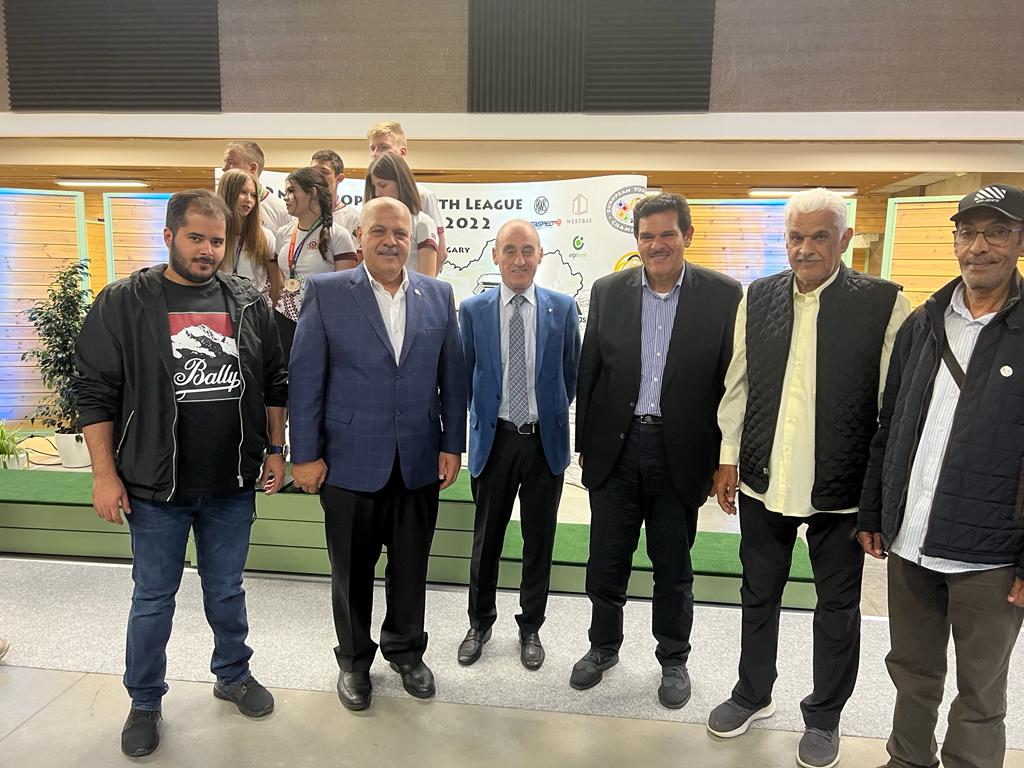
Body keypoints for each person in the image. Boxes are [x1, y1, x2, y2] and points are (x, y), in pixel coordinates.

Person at [73, 189, 288, 757]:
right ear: (169, 236)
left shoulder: (248, 301)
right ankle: (145, 700)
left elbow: (274, 380)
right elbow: (94, 392)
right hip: (154, 486)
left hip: (230, 484)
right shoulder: (125, 301)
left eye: (217, 241)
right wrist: (103, 475)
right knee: (153, 599)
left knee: (227, 589)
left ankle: (233, 674)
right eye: (196, 238)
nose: (207, 250)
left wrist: (274, 447)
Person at [709, 188, 911, 768]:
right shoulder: (758, 296)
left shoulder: (884, 303)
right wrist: (728, 456)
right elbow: (739, 384)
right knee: (758, 593)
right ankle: (753, 693)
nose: (805, 248)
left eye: (819, 236)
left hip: (841, 492)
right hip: (763, 481)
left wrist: (877, 496)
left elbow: (893, 408)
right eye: (796, 237)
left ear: (843, 240)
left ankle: (824, 716)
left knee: (838, 608)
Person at [858, 183, 1024, 768]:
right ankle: (907, 759)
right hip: (910, 541)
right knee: (912, 671)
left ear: (1019, 241)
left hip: (990, 553)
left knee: (980, 690)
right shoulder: (924, 323)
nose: (980, 247)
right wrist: (875, 510)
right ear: (954, 242)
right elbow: (890, 424)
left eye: (997, 232)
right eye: (968, 233)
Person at [288, 197, 466, 712]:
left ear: (412, 240)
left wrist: (451, 444)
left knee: (410, 567)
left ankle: (406, 652)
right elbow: (306, 379)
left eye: (401, 233)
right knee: (351, 571)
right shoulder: (326, 293)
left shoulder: (438, 295)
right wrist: (305, 454)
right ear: (360, 237)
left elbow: (452, 378)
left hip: (418, 459)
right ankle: (353, 661)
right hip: (347, 461)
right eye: (380, 232)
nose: (391, 241)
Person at [572, 193, 742, 708]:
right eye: (647, 236)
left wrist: (724, 459)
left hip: (680, 454)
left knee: (673, 567)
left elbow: (731, 383)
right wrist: (586, 445)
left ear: (687, 235)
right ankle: (603, 647)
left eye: (667, 234)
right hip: (617, 451)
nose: (657, 245)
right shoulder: (608, 291)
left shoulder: (724, 295)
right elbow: (590, 370)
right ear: (637, 241)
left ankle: (673, 658)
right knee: (606, 561)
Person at [457, 219, 581, 670]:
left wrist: (544, 412)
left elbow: (570, 375)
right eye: (509, 250)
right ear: (495, 255)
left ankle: (531, 627)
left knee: (538, 540)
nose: (519, 259)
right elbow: (466, 376)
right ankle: (479, 623)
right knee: (486, 540)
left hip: (543, 443)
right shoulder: (473, 310)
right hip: (495, 442)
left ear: (540, 255)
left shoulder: (562, 308)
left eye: (528, 250)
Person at [269, 167, 358, 361]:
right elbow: (278, 280)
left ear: (312, 193)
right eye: (285, 192)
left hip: (321, 322)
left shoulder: (338, 234)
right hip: (284, 318)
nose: (285, 197)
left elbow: (345, 292)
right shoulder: (283, 233)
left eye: (291, 191)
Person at [367, 120, 448, 269]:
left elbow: (440, 253)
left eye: (384, 147)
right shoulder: (373, 196)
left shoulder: (423, 196)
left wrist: (422, 282)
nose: (376, 154)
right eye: (372, 148)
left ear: (402, 152)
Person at [364, 152, 439, 277]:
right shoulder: (368, 221)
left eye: (383, 185)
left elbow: (427, 280)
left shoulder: (423, 223)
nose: (377, 193)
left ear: (401, 183)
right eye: (374, 186)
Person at [216, 168, 279, 303]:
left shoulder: (265, 236)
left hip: (254, 308)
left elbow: (277, 286)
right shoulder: (213, 235)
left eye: (254, 195)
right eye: (243, 192)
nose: (249, 200)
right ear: (228, 193)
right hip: (220, 305)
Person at [222, 140, 292, 232]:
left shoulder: (281, 210)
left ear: (253, 168)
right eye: (225, 162)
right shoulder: (218, 207)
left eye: (231, 163)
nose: (224, 168)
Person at [310, 149, 361, 235]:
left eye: (324, 172)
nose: (316, 176)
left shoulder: (354, 219)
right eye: (312, 171)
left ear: (339, 178)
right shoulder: (299, 214)